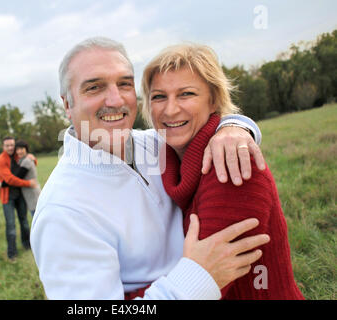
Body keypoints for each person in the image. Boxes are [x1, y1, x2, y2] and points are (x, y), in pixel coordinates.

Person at [30, 37, 270, 299]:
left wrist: (235, 126)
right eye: (95, 87)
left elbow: (202, 124)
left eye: (124, 84)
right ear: (67, 104)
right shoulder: (63, 211)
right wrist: (198, 277)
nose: (114, 99)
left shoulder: (158, 145)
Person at [140, 43, 304, 299]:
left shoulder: (232, 167)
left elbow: (198, 283)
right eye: (159, 96)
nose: (170, 109)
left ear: (214, 99)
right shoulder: (166, 163)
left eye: (186, 94)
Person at [0, 136, 37, 262]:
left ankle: (27, 245)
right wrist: (28, 183)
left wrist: (33, 157)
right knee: (11, 225)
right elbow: (10, 180)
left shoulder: (18, 155)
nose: (10, 148)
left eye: (12, 145)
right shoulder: (0, 160)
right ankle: (12, 254)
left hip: (20, 196)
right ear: (3, 147)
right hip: (7, 197)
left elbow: (31, 164)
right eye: (7, 145)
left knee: (24, 221)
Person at [2, 140, 41, 217]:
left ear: (26, 149)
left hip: (32, 194)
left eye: (22, 149)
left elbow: (18, 177)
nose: (19, 151)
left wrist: (3, 184)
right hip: (29, 193)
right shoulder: (22, 160)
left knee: (36, 217)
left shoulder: (26, 161)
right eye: (17, 149)